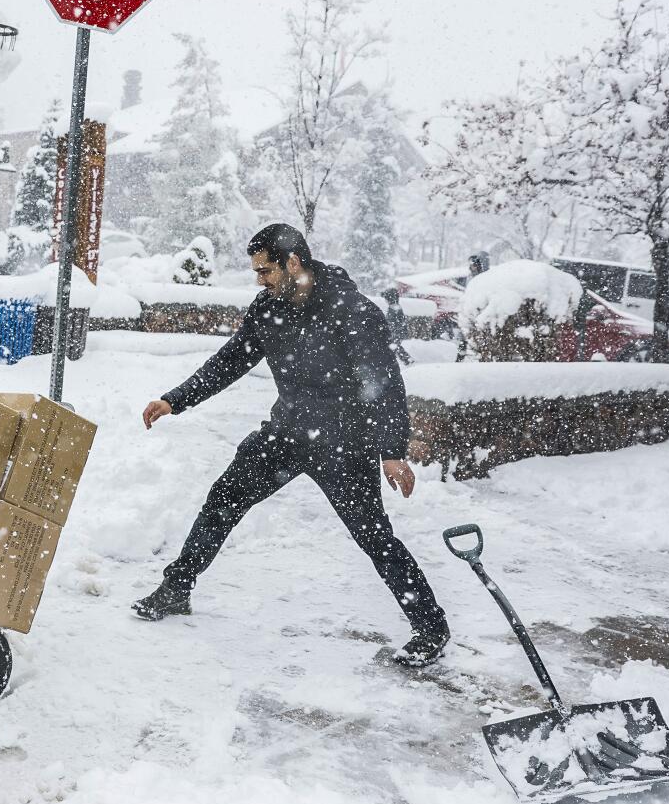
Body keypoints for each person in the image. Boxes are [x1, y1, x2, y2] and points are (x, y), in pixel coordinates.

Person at [132, 223, 451, 667]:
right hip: (287, 433)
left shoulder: (352, 310)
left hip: (344, 443)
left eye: (265, 271)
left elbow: (383, 383)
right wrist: (174, 399)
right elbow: (231, 360)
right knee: (224, 497)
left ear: (293, 263)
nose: (259, 280)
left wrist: (391, 450)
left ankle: (431, 628)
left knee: (373, 536)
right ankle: (176, 588)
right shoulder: (269, 307)